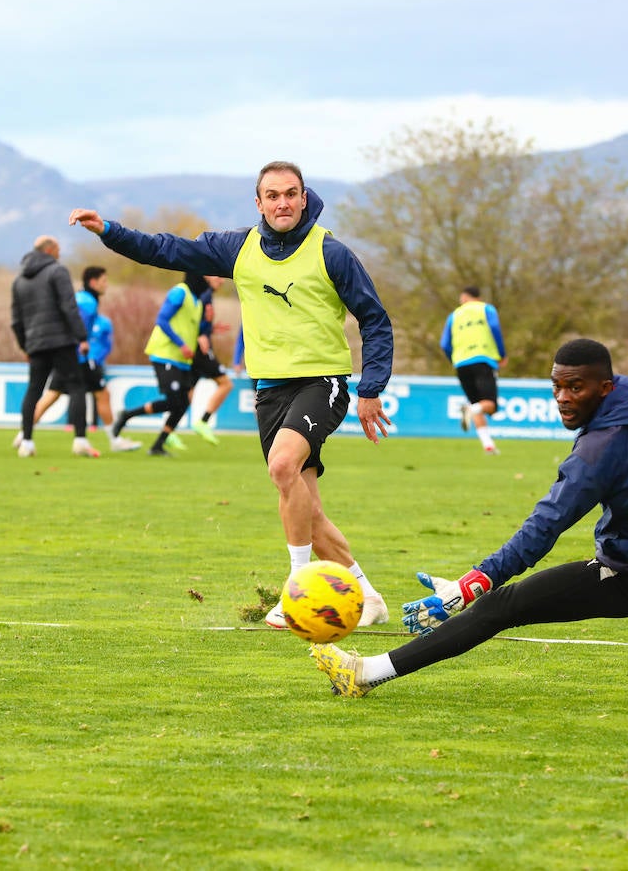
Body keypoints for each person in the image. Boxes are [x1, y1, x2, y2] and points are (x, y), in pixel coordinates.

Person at [308, 338, 628, 717]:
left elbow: (543, 529)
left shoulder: (597, 453)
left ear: (604, 387)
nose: (562, 397)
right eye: (556, 386)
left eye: (575, 388)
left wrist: (472, 585)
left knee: (501, 606)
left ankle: (366, 674)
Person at [69, 160, 394, 628]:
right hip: (268, 389)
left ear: (304, 198)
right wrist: (110, 231)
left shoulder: (333, 253)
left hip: (321, 382)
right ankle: (368, 595)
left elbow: (375, 320)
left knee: (283, 465)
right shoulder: (237, 248)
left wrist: (370, 388)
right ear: (258, 203)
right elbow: (168, 249)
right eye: (273, 195)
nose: (282, 202)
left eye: (291, 193)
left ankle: (297, 590)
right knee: (307, 508)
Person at [28, 265, 141, 453]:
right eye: (104, 281)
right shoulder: (87, 303)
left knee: (52, 395)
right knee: (100, 395)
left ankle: (24, 434)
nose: (107, 285)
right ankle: (109, 439)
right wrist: (79, 342)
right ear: (93, 282)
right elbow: (74, 323)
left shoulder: (82, 299)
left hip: (68, 355)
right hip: (80, 357)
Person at [9, 235, 95, 458]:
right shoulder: (58, 271)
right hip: (61, 341)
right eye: (58, 248)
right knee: (76, 386)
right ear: (49, 250)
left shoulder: (19, 281)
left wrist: (25, 346)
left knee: (34, 389)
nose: (60, 253)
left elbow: (16, 321)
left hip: (35, 343)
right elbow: (69, 307)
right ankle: (80, 440)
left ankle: (27, 442)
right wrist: (81, 337)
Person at [109, 271, 208, 457]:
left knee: (182, 403)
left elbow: (189, 326)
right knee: (174, 401)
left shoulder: (198, 301)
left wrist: (209, 327)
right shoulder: (180, 292)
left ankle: (157, 445)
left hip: (182, 360)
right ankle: (127, 415)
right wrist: (181, 344)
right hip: (165, 354)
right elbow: (162, 320)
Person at [441, 285, 506, 455]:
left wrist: (453, 359)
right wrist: (501, 354)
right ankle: (470, 411)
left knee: (476, 403)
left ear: (464, 296)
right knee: (490, 406)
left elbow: (444, 344)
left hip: (461, 363)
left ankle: (488, 446)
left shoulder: (454, 315)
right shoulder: (486, 309)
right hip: (482, 359)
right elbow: (495, 329)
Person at [187, 274, 234, 445]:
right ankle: (203, 421)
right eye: (218, 277)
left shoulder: (205, 295)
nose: (221, 281)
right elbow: (193, 320)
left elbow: (199, 321)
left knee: (188, 392)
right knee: (226, 384)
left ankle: (167, 432)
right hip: (202, 351)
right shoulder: (205, 295)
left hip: (196, 349)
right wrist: (201, 335)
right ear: (206, 276)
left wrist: (210, 329)